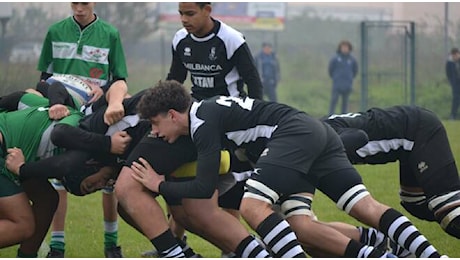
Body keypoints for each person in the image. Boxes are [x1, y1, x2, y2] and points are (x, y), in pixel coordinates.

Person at [132, 80, 444, 258]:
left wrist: (159, 185)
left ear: (172, 114)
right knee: (340, 214)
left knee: (253, 205)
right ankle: (429, 256)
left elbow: (203, 187)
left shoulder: (202, 123)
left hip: (295, 134)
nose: (156, 133)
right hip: (314, 131)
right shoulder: (211, 110)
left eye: (156, 124)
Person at [138, 1, 265, 257]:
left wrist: (251, 122)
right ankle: (177, 240)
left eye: (190, 13)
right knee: (178, 174)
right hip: (194, 117)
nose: (184, 19)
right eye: (180, 13)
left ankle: (232, 248)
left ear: (208, 10)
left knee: (229, 183)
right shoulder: (180, 40)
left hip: (228, 122)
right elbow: (174, 80)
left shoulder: (230, 39)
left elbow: (254, 83)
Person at [37, 2, 129, 257]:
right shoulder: (55, 31)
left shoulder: (110, 33)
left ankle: (112, 244)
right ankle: (57, 246)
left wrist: (105, 88)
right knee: (60, 180)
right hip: (64, 113)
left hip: (98, 112)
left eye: (84, 2)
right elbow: (44, 77)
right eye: (74, 2)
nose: (79, 8)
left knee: (107, 178)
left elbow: (120, 76)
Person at [322, 105, 460, 241]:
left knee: (450, 214)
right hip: (407, 144)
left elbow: (358, 137)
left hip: (420, 130)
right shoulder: (315, 132)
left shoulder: (320, 139)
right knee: (416, 204)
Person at [0, 93, 82, 257]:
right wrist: (109, 145)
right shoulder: (74, 119)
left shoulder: (42, 103)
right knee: (22, 225)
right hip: (5, 154)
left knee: (47, 198)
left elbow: (18, 97)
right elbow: (61, 154)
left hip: (11, 157)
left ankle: (26, 256)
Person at [328, 40, 358, 115]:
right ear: (340, 48)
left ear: (349, 48)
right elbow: (330, 70)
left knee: (345, 103)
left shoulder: (352, 60)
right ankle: (330, 116)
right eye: (343, 47)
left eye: (346, 47)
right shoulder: (335, 59)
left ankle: (344, 117)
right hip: (337, 84)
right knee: (334, 101)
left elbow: (355, 71)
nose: (345, 49)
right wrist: (335, 77)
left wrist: (350, 78)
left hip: (347, 85)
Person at [446, 47, 460, 120]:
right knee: (456, 99)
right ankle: (453, 115)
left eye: (456, 55)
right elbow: (448, 73)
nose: (455, 57)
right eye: (453, 55)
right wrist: (452, 82)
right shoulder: (450, 63)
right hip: (455, 84)